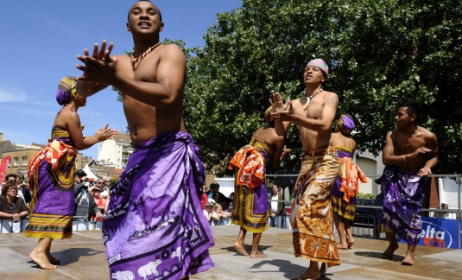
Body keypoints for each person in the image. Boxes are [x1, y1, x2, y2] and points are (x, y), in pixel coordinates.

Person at [75, 1, 214, 278]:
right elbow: (81, 93)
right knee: (123, 227)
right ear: (128, 25)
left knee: (163, 234)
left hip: (169, 153)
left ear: (161, 25)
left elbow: (167, 95)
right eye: (136, 12)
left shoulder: (170, 52)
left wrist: (115, 80)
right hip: (139, 158)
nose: (144, 15)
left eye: (152, 12)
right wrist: (89, 78)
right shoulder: (121, 63)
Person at [23, 76, 117, 270]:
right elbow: (80, 144)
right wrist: (98, 137)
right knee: (59, 207)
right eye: (84, 90)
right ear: (75, 93)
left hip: (57, 167)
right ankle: (39, 251)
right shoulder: (70, 114)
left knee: (54, 206)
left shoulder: (67, 112)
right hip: (56, 168)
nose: (87, 95)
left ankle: (45, 251)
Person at [271, 58, 340, 279]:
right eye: (306, 69)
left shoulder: (329, 96)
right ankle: (320, 261)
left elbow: (326, 125)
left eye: (315, 69)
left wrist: (293, 115)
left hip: (326, 160)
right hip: (307, 162)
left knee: (307, 207)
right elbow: (281, 131)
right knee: (301, 214)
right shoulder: (297, 102)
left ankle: (313, 268)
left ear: (324, 76)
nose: (309, 71)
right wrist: (278, 114)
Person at [377, 101, 438, 265]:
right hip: (395, 175)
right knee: (387, 210)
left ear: (412, 117)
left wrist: (426, 167)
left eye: (400, 114)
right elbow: (386, 159)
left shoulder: (428, 136)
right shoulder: (393, 135)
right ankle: (392, 244)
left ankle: (410, 254)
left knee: (412, 215)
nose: (396, 117)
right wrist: (412, 155)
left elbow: (434, 156)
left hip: (416, 179)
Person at [229, 106, 290, 258]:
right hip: (255, 172)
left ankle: (240, 241)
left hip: (243, 170)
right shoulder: (278, 136)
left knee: (246, 206)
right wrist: (283, 154)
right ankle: (255, 251)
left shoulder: (259, 130)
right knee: (261, 208)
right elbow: (274, 164)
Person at [329, 115, 367, 249]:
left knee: (336, 209)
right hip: (350, 175)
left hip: (337, 173)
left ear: (339, 125)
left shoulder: (331, 137)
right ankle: (350, 237)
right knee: (345, 207)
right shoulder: (353, 142)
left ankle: (343, 242)